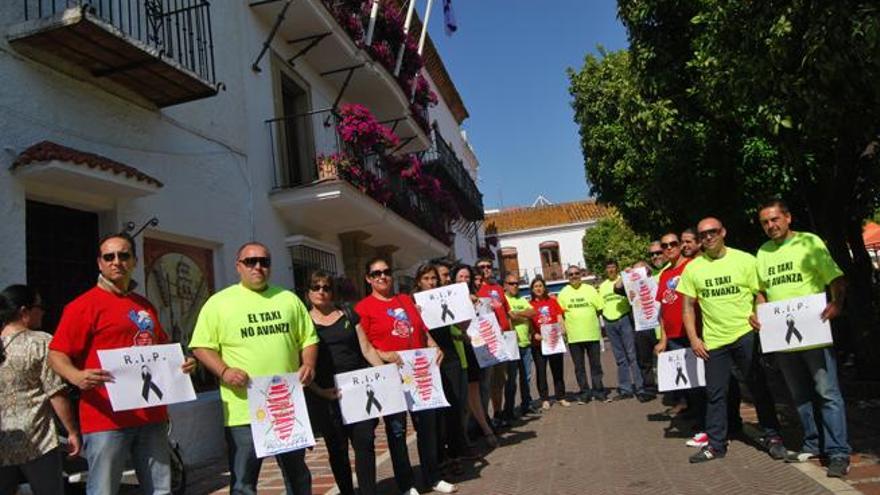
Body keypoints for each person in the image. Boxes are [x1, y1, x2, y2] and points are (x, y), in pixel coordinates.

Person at [49, 232, 196, 495]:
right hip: (105, 418)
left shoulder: (145, 306)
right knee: (103, 490)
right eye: (109, 256)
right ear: (100, 263)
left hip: (151, 415)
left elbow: (161, 349)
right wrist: (76, 375)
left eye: (123, 255)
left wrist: (182, 363)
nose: (117, 261)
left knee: (160, 489)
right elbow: (56, 354)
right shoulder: (82, 306)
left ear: (134, 261)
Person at [190, 242, 318, 495]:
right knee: (243, 483)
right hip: (242, 410)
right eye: (250, 261)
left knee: (297, 476)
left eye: (264, 261)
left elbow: (308, 339)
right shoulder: (219, 303)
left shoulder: (288, 299)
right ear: (238, 266)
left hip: (286, 408)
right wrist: (225, 371)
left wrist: (309, 364)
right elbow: (201, 346)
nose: (258, 266)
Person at [755, 200, 851, 477]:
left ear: (787, 218)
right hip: (782, 339)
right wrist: (758, 311)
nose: (771, 226)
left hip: (814, 332)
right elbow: (762, 290)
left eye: (775, 219)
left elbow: (835, 277)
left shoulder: (809, 242)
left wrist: (837, 304)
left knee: (827, 393)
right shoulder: (763, 252)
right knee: (799, 394)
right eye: (765, 222)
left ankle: (838, 452)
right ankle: (812, 442)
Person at [678, 218, 786, 463]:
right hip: (714, 341)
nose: (708, 237)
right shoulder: (693, 268)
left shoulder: (745, 260)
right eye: (703, 234)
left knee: (758, 387)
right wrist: (694, 338)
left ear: (723, 232)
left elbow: (760, 293)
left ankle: (773, 436)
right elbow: (687, 307)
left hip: (744, 334)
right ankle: (716, 445)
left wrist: (759, 313)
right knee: (715, 394)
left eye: (713, 232)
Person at [355, 257, 457, 495]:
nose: (382, 276)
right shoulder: (363, 307)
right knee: (398, 431)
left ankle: (432, 476)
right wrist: (385, 355)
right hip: (391, 376)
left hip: (420, 373)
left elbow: (422, 331)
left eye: (386, 271)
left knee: (428, 426)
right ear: (368, 278)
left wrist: (435, 347)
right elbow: (364, 345)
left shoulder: (405, 300)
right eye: (376, 273)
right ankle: (406, 484)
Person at [305, 271, 384, 495]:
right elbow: (299, 363)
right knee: (337, 449)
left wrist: (385, 376)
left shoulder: (348, 314)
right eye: (316, 287)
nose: (321, 291)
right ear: (308, 292)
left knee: (365, 442)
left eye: (326, 287)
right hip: (326, 395)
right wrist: (319, 391)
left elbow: (366, 349)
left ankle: (369, 492)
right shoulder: (303, 322)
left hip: (357, 389)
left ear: (333, 291)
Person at [1, 285, 80, 495]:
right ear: (24, 312)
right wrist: (72, 431)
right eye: (39, 306)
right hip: (38, 439)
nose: (43, 311)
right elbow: (56, 392)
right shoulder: (41, 343)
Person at [412, 264, 468, 475]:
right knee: (433, 412)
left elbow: (462, 326)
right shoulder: (412, 303)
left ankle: (454, 455)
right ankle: (438, 457)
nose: (431, 282)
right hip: (427, 360)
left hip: (450, 356)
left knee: (453, 408)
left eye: (434, 278)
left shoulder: (445, 295)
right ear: (419, 281)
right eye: (426, 278)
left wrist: (466, 308)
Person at [452, 264, 497, 449]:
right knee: (463, 398)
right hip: (455, 350)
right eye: (460, 277)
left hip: (473, 349)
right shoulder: (449, 299)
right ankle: (475, 432)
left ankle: (481, 429)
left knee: (475, 392)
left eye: (467, 277)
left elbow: (484, 323)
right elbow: (459, 327)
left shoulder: (476, 299)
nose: (464, 280)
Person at [557, 265, 606, 403]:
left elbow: (599, 309)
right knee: (579, 368)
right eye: (571, 274)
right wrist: (563, 330)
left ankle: (599, 391)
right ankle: (585, 393)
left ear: (581, 275)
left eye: (576, 273)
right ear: (567, 276)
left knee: (596, 366)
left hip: (592, 335)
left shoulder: (590, 290)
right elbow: (559, 314)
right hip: (574, 337)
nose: (574, 276)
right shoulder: (563, 293)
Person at [599, 260, 644, 401]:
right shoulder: (602, 286)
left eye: (613, 267)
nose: (611, 270)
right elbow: (600, 305)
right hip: (609, 322)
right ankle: (625, 389)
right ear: (606, 270)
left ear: (617, 269)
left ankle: (640, 387)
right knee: (620, 358)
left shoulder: (624, 279)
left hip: (624, 319)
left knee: (632, 355)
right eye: (608, 268)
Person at [475, 259, 512, 429]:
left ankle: (498, 413)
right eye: (482, 267)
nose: (486, 269)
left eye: (488, 266)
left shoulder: (498, 288)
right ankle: (484, 418)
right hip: (487, 341)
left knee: (500, 380)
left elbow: (506, 312)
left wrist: (511, 333)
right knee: (486, 382)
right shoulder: (476, 290)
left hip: (503, 340)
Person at [529, 278, 569, 409]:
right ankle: (544, 399)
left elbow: (559, 317)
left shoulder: (552, 301)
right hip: (538, 343)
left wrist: (562, 330)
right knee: (541, 372)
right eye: (536, 286)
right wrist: (534, 334)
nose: (538, 288)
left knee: (558, 370)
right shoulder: (529, 305)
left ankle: (561, 397)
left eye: (540, 286)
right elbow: (528, 323)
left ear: (544, 287)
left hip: (554, 340)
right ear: (532, 289)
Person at [503, 274, 538, 417]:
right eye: (511, 283)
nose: (515, 286)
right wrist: (524, 315)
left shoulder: (522, 299)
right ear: (505, 285)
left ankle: (526, 405)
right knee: (511, 380)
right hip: (511, 345)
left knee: (526, 378)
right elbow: (510, 316)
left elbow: (533, 312)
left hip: (525, 344)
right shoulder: (504, 300)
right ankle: (509, 410)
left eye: (516, 283)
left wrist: (518, 314)